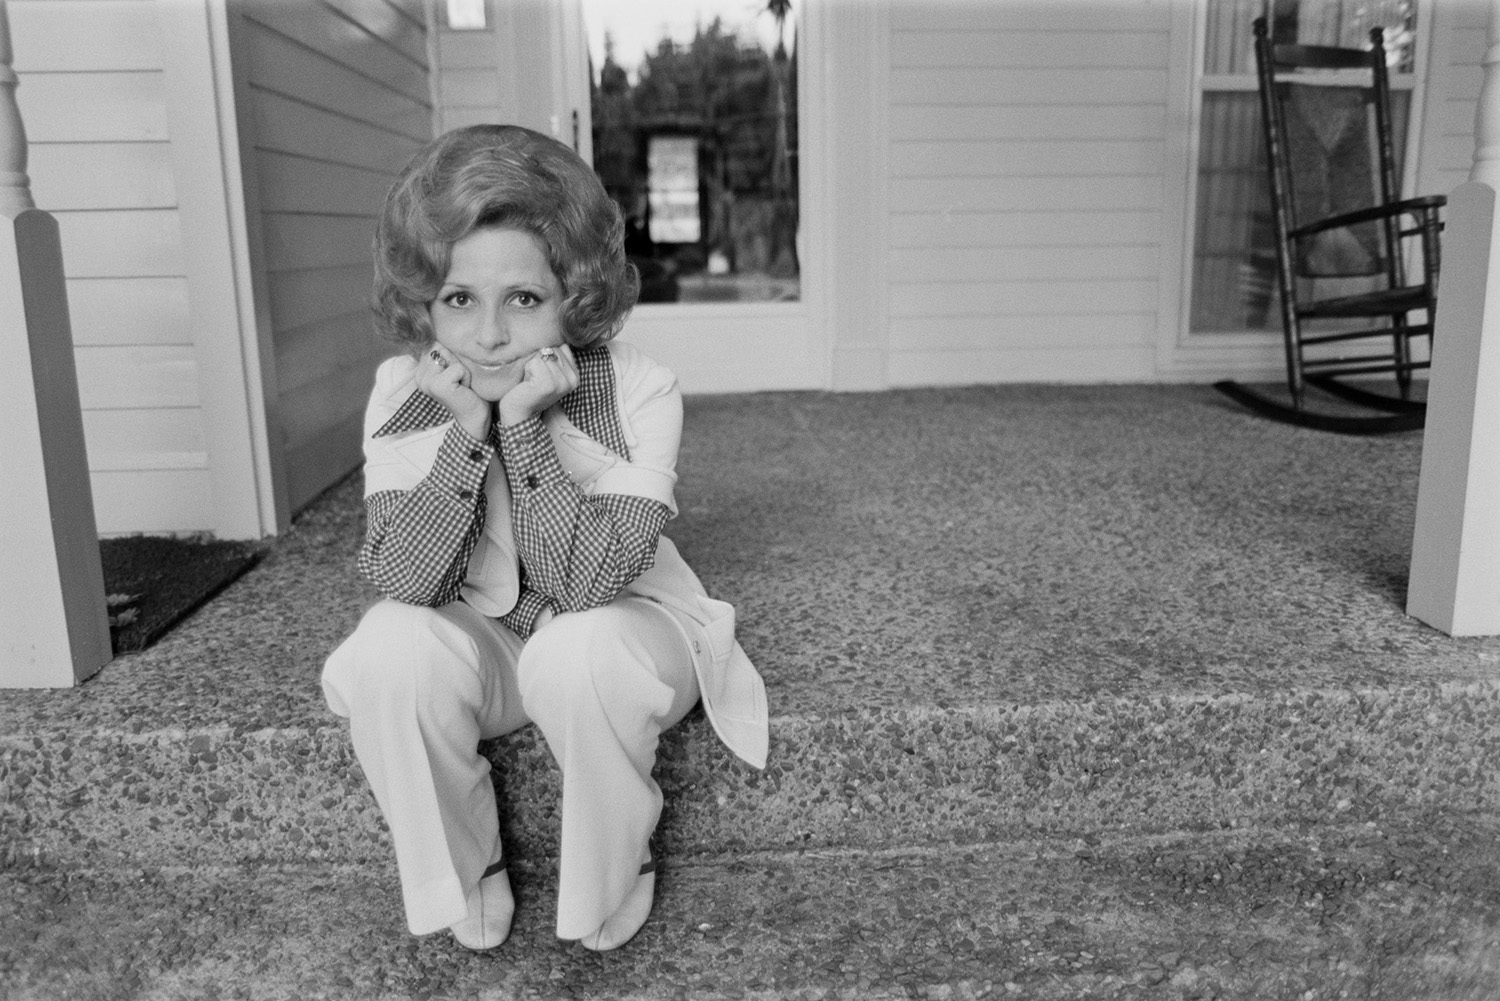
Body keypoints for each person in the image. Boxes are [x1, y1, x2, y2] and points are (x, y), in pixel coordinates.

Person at [321, 124, 768, 954]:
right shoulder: (401, 390)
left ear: (574, 294)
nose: (488, 335)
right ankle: (466, 865)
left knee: (577, 649)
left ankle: (614, 865)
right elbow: (406, 577)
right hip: (493, 643)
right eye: (459, 300)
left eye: (523, 299)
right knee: (388, 644)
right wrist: (464, 435)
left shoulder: (638, 388)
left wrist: (521, 430)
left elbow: (589, 585)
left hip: (627, 635)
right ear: (426, 301)